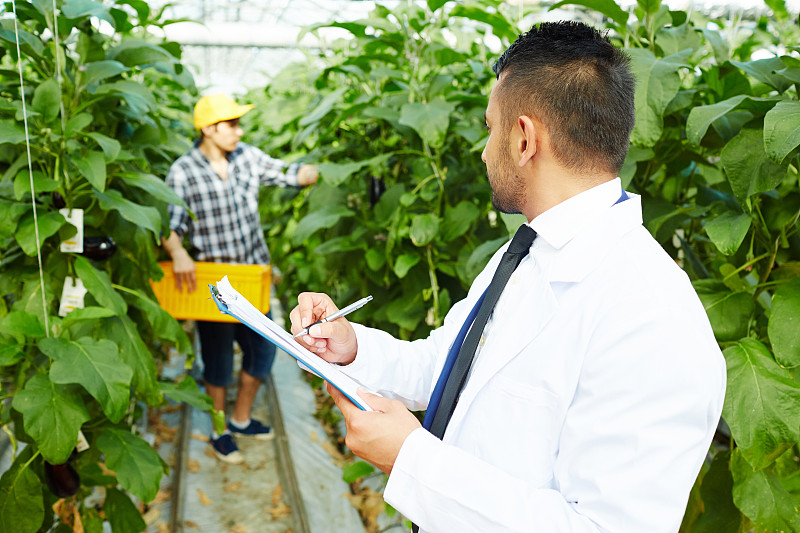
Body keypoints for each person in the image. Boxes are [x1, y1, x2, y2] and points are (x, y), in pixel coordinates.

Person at [289, 21, 726, 532]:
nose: (482, 149)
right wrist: (352, 346)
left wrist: (411, 460)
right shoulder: (525, 252)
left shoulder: (652, 317)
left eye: (491, 127)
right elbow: (451, 368)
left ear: (523, 139)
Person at [163, 93, 318, 464]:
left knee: (263, 350)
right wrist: (179, 252)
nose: (238, 130)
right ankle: (219, 429)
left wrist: (308, 173)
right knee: (216, 360)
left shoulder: (246, 156)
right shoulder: (183, 171)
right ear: (208, 129)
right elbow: (170, 227)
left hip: (252, 276)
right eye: (230, 124)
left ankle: (241, 417)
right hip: (214, 283)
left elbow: (284, 172)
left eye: (237, 123)